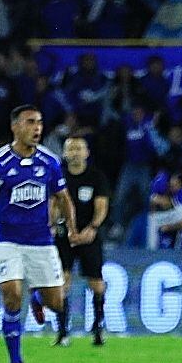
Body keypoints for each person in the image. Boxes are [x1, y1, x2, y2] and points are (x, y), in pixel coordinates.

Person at [0, 105, 79, 363]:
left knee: (56, 303)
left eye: (39, 122)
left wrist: (72, 228)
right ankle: (16, 362)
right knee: (11, 295)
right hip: (7, 240)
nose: (37, 128)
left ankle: (37, 296)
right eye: (30, 122)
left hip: (41, 241)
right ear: (15, 127)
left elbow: (63, 198)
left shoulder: (49, 162)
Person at [55, 135, 110, 346]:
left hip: (89, 235)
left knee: (96, 283)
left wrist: (93, 228)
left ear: (87, 152)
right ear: (65, 153)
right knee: (62, 282)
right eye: (71, 148)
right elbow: (53, 203)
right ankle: (62, 332)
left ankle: (97, 329)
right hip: (64, 235)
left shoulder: (96, 177)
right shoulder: (58, 176)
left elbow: (102, 206)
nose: (75, 152)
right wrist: (54, 225)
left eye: (79, 148)